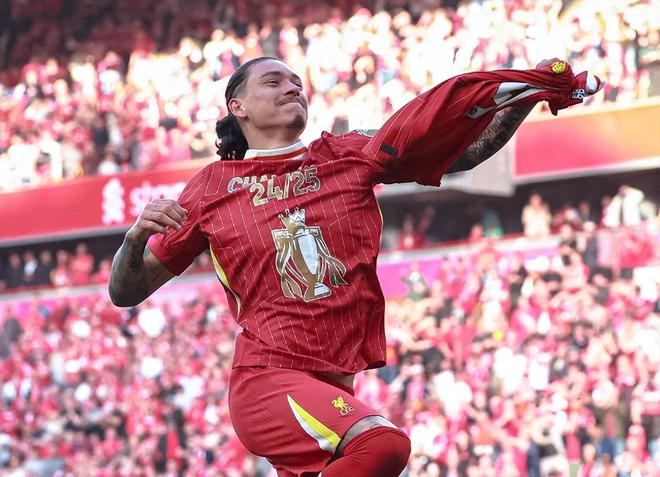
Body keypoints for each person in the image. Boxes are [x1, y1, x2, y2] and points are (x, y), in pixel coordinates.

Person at [109, 57, 602, 476]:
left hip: (333, 385)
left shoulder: (346, 153)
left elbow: (464, 152)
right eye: (274, 81)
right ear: (237, 107)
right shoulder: (212, 186)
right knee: (384, 445)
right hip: (267, 380)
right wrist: (133, 240)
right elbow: (125, 291)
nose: (292, 87)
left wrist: (523, 95)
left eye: (296, 81)